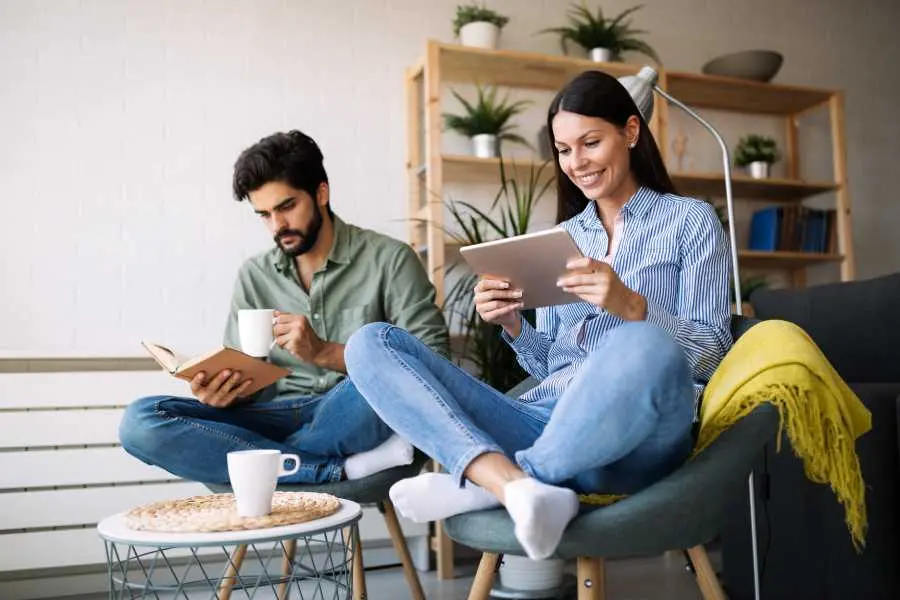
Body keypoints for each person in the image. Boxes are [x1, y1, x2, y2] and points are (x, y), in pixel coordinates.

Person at [344, 71, 731, 560]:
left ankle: (498, 483)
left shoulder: (690, 221)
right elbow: (551, 368)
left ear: (631, 132)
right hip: (547, 421)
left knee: (642, 344)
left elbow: (715, 354)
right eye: (564, 150)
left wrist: (634, 308)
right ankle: (519, 486)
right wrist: (512, 326)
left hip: (640, 434)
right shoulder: (564, 236)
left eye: (591, 143)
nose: (577, 163)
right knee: (372, 342)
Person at [119, 130, 449, 485]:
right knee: (141, 422)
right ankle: (334, 467)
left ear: (321, 193)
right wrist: (222, 393)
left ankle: (260, 459)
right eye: (263, 214)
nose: (277, 226)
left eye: (286, 207)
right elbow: (249, 381)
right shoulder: (254, 275)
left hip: (352, 408)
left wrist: (325, 353)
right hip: (274, 414)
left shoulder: (390, 259)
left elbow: (434, 365)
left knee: (389, 386)